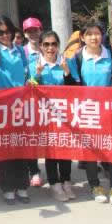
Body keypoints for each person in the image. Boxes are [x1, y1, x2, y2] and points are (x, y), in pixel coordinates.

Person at [66, 20, 112, 205]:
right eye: (89, 34)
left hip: (110, 110)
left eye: (97, 33)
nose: (94, 37)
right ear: (82, 37)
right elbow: (73, 85)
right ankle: (95, 186)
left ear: (102, 36)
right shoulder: (76, 58)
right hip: (88, 111)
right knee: (91, 150)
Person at [29, 31, 76, 202]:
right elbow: (30, 89)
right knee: (50, 150)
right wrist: (37, 74)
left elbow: (75, 89)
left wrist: (66, 72)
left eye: (54, 44)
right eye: (46, 44)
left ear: (58, 46)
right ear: (41, 46)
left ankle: (66, 181)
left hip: (64, 114)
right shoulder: (34, 64)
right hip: (45, 115)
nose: (50, 48)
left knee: (65, 148)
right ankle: (54, 183)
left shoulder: (66, 62)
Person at [0, 16, 30, 205]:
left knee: (21, 145)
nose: (5, 35)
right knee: (6, 146)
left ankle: (22, 185)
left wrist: (31, 81)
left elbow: (27, 72)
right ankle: (7, 187)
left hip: (21, 104)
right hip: (3, 105)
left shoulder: (20, 50)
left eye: (7, 31)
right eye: (0, 33)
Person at [22, 17, 44, 187]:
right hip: (28, 99)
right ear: (25, 34)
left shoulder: (48, 49)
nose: (33, 34)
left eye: (35, 30)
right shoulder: (22, 52)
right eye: (29, 31)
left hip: (48, 99)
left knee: (48, 134)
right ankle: (34, 170)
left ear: (40, 30)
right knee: (30, 135)